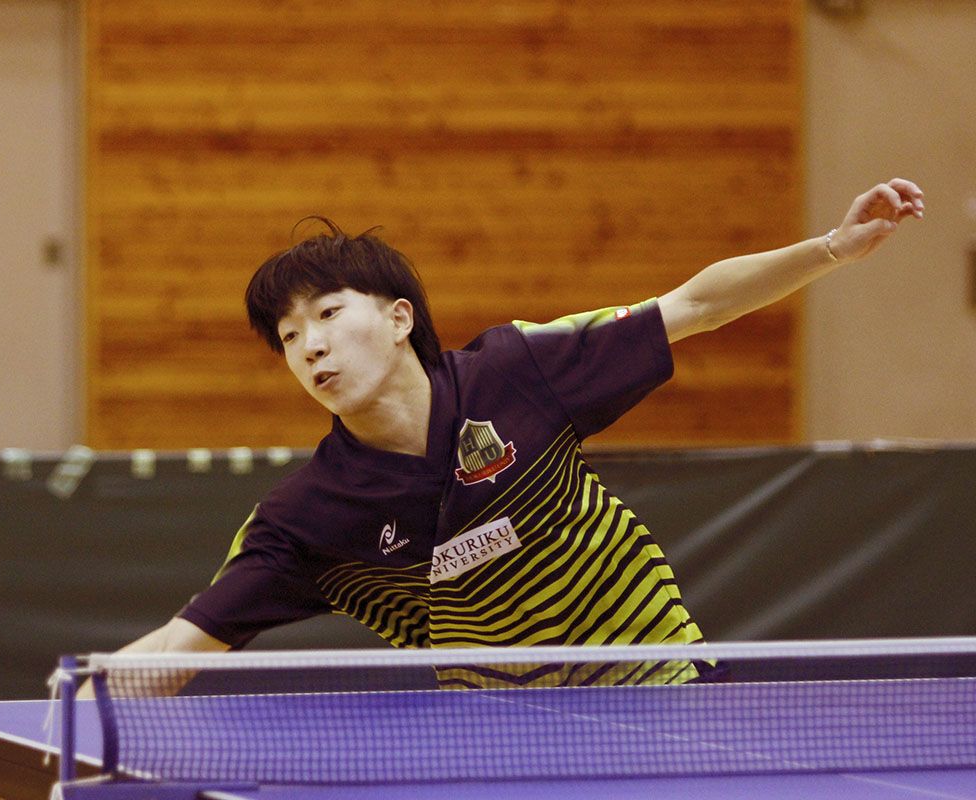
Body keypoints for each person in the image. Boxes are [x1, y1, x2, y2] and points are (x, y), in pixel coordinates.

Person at [83, 178, 924, 693]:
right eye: (290, 335)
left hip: (657, 684)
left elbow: (696, 305)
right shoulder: (308, 517)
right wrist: (79, 720)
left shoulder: (519, 370)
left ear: (399, 319)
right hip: (502, 729)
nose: (310, 345)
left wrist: (834, 249)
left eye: (329, 314)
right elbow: (182, 644)